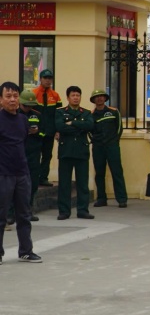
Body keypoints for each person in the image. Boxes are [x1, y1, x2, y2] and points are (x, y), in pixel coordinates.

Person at [0, 82, 40, 263]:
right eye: (8, 96)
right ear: (1, 99)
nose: (12, 100)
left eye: (15, 96)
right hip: (3, 174)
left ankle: (26, 250)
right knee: (1, 215)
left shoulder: (23, 120)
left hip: (22, 173)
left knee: (24, 215)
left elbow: (22, 143)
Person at [55, 85, 94, 220]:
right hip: (66, 151)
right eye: (73, 95)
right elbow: (60, 127)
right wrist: (78, 127)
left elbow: (90, 125)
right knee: (64, 183)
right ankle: (64, 211)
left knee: (82, 183)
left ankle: (83, 210)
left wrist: (72, 123)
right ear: (68, 97)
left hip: (81, 151)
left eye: (78, 95)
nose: (76, 98)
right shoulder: (60, 112)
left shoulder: (86, 112)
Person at [89, 90, 128, 209]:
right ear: (93, 100)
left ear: (105, 98)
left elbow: (119, 128)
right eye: (97, 97)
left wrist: (114, 141)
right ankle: (101, 198)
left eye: (101, 96)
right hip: (98, 147)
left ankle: (122, 199)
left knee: (117, 172)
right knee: (99, 173)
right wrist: (97, 141)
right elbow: (89, 131)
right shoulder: (90, 115)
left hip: (112, 146)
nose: (99, 99)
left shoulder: (113, 111)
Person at [32, 69, 61, 186]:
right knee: (34, 154)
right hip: (35, 132)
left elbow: (59, 115)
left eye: (50, 78)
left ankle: (43, 178)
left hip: (49, 131)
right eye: (45, 78)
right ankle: (33, 177)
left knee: (47, 155)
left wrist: (58, 130)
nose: (48, 80)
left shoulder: (55, 96)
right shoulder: (33, 94)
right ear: (40, 79)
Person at [16, 90, 41, 223]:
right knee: (14, 185)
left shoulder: (37, 115)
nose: (28, 108)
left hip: (34, 154)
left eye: (31, 106)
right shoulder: (14, 115)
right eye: (26, 106)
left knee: (32, 183)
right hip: (18, 154)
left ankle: (28, 210)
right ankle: (11, 213)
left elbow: (44, 133)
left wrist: (37, 133)